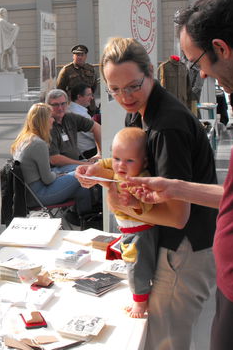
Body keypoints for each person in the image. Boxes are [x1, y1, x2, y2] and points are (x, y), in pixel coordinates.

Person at [123, 0, 233, 349]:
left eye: (197, 63)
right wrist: (176, 187)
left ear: (221, 48)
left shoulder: (168, 122)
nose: (201, 73)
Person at [76, 36, 217, 350]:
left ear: (151, 72)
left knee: (166, 340)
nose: (124, 96)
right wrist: (99, 169)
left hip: (183, 249)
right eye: (114, 90)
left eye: (132, 86)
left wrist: (119, 199)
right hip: (172, 245)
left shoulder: (167, 126)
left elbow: (178, 216)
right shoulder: (140, 110)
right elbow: (130, 165)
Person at [91, 127, 157, 319]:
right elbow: (106, 162)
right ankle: (141, 295)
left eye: (129, 160)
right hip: (129, 231)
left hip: (140, 233)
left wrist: (135, 203)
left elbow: (149, 206)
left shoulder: (141, 179)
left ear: (144, 162)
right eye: (117, 158)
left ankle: (140, 301)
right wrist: (93, 168)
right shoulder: (118, 166)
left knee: (137, 267)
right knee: (133, 264)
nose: (120, 165)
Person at [11, 103, 92, 219]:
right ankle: (86, 217)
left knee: (77, 176)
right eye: (50, 117)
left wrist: (60, 175)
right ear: (43, 120)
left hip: (28, 192)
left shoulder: (25, 138)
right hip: (39, 195)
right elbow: (48, 179)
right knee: (82, 173)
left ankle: (81, 217)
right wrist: (60, 175)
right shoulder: (38, 144)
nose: (53, 120)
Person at [45, 89, 101, 172]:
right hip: (57, 170)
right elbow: (54, 159)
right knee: (92, 172)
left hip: (74, 164)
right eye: (55, 105)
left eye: (63, 104)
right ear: (48, 106)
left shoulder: (69, 117)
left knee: (101, 167)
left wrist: (99, 153)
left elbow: (96, 127)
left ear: (67, 104)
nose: (60, 108)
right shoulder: (47, 125)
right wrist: (82, 164)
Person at [56, 44, 98, 114]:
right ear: (73, 56)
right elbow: (60, 89)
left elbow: (94, 87)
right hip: (73, 106)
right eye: (77, 55)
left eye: (82, 55)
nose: (80, 57)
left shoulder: (91, 69)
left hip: (89, 105)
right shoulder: (66, 70)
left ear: (86, 56)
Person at [68, 83, 98, 159]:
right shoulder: (81, 115)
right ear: (79, 97)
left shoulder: (69, 109)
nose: (92, 98)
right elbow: (95, 134)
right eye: (89, 95)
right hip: (88, 153)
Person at [0, 7, 21, 73]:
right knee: (3, 53)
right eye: (5, 13)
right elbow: (10, 27)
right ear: (2, 13)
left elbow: (8, 28)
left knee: (12, 50)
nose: (6, 14)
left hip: (4, 41)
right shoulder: (1, 21)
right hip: (2, 41)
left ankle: (12, 66)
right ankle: (3, 67)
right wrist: (15, 26)